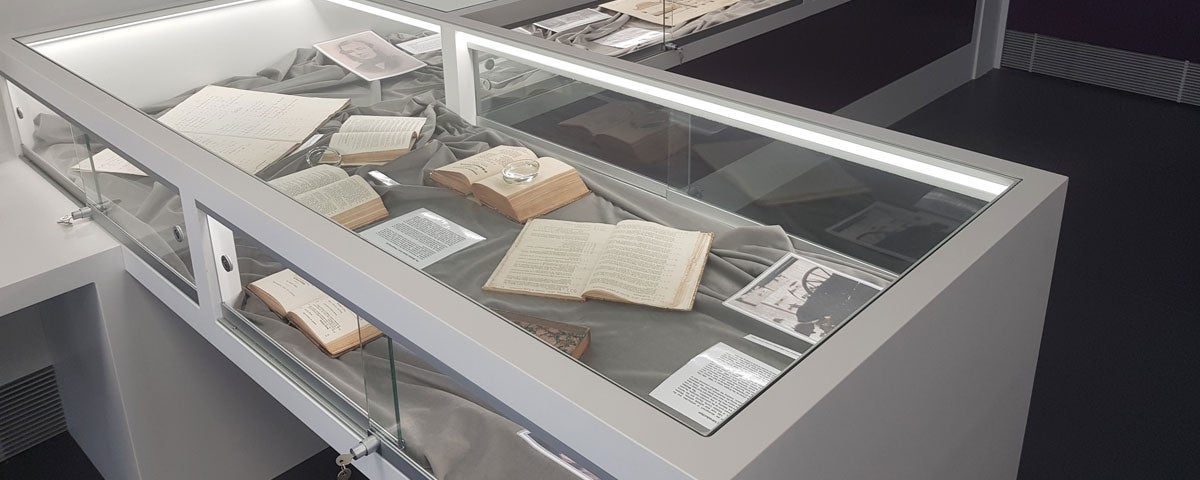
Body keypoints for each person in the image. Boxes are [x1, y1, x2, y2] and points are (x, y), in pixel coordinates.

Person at [337, 39, 405, 74]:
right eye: (350, 52)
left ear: (371, 47)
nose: (358, 53)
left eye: (360, 48)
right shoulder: (360, 69)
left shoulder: (398, 59)